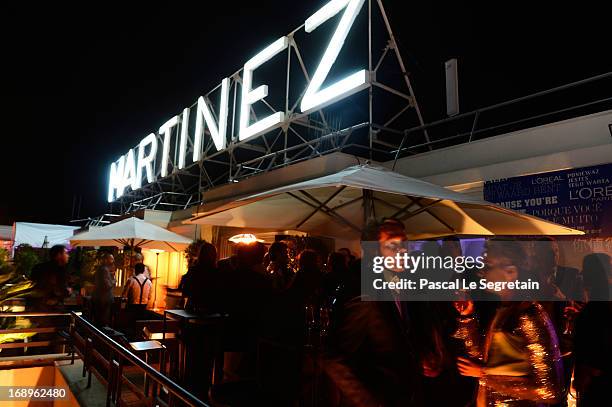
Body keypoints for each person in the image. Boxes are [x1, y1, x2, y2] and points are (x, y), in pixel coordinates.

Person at [323, 219, 422, 406]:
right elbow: (333, 358)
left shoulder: (397, 282)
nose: (403, 250)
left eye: (405, 243)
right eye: (393, 244)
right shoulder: (363, 292)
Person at [454, 239, 564, 406]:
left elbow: (547, 388)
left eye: (489, 265)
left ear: (511, 272)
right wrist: (467, 317)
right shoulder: (504, 309)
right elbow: (483, 358)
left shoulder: (528, 315)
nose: (481, 271)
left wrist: (485, 375)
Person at [573, 253, 611, 406]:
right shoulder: (598, 305)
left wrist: (585, 375)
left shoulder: (595, 309)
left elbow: (596, 343)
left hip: (599, 382)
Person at [29, 245, 71, 310]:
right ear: (59, 255)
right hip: (51, 308)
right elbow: (61, 289)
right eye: (66, 253)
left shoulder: (38, 267)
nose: (68, 256)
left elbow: (31, 285)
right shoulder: (60, 270)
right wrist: (68, 291)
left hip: (35, 306)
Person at [91, 252, 116, 327]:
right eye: (111, 259)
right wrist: (114, 281)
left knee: (100, 320)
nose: (113, 261)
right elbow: (107, 285)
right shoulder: (104, 270)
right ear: (105, 260)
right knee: (103, 320)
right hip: (104, 299)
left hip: (100, 298)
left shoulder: (102, 269)